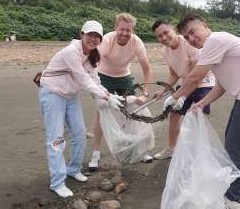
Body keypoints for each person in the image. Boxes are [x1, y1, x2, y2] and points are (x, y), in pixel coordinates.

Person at [163, 13, 240, 209]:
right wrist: (201, 103)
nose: (191, 38)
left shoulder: (215, 40)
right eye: (187, 37)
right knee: (235, 142)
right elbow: (222, 85)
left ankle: (234, 201)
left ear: (205, 26)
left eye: (193, 32)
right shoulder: (214, 47)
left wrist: (176, 97)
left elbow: (194, 78)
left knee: (234, 146)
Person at [39, 20, 123, 198]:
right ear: (82, 34)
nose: (93, 39)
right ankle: (57, 182)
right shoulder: (71, 52)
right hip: (53, 93)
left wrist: (110, 94)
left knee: (79, 133)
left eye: (97, 36)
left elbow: (95, 79)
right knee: (56, 139)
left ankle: (73, 169)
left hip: (70, 95)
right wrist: (106, 97)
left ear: (100, 39)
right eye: (90, 34)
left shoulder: (94, 55)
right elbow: (84, 80)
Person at [88, 13, 154, 170]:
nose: (125, 33)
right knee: (102, 111)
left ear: (133, 30)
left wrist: (145, 93)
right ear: (116, 28)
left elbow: (147, 69)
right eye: (122, 29)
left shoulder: (136, 42)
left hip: (124, 77)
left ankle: (140, 151)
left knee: (134, 110)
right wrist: (99, 90)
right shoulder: (107, 40)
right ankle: (95, 154)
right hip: (103, 76)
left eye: (128, 30)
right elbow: (94, 62)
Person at [151, 20, 215, 160]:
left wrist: (182, 96)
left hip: (203, 83)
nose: (163, 38)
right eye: (159, 36)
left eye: (165, 32)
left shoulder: (188, 44)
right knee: (174, 115)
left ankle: (198, 154)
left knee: (197, 117)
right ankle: (171, 149)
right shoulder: (165, 50)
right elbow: (174, 74)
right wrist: (163, 91)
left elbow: (195, 76)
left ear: (173, 29)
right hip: (186, 82)